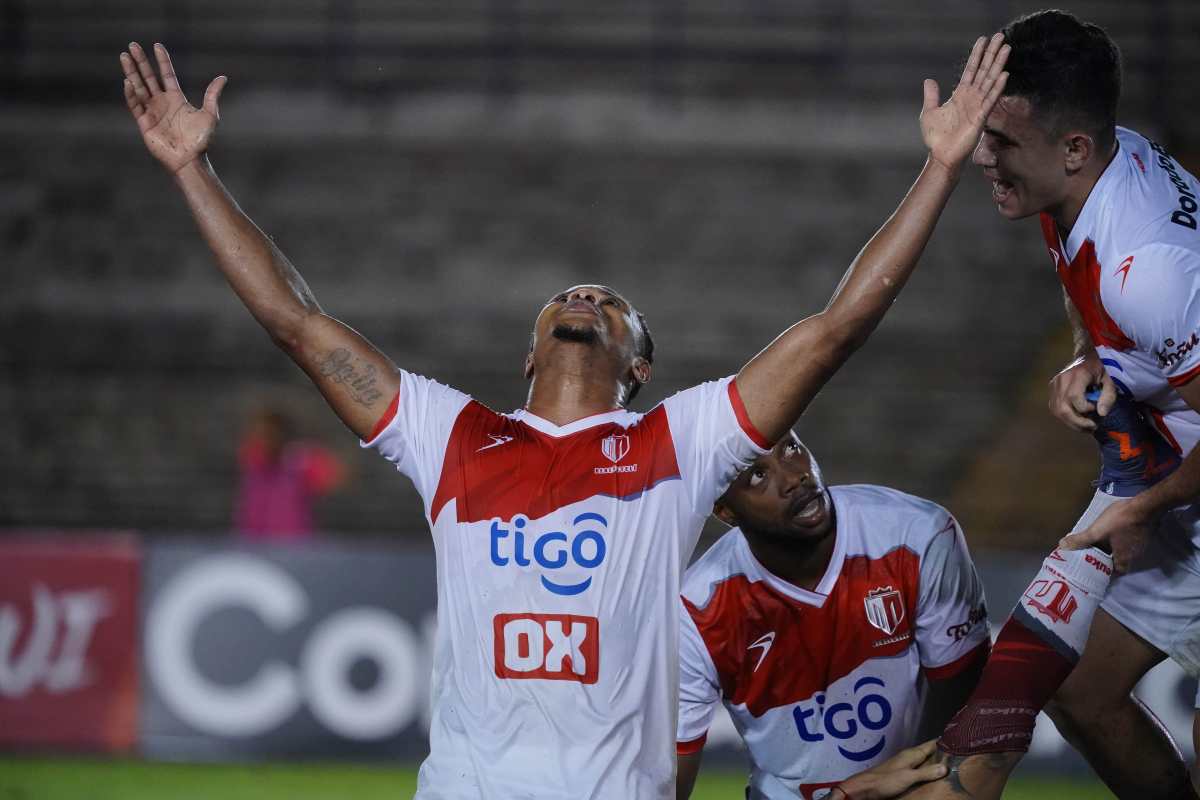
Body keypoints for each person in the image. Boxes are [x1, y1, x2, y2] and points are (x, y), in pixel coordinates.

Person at [119, 34, 1009, 798]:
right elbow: (298, 326)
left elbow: (835, 329)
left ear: (639, 366)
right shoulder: (452, 435)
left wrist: (939, 167)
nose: (587, 295)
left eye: (612, 303)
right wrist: (192, 170)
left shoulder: (681, 442)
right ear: (530, 355)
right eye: (569, 297)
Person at [901, 10, 1200, 799]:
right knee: (1078, 691)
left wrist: (1145, 509)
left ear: (1073, 148)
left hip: (1174, 481)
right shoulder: (1087, 177)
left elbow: (1136, 290)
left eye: (1001, 142)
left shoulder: (1148, 267)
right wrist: (1089, 355)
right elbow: (1095, 295)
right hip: (1170, 469)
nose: (982, 158)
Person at [676, 435, 989, 800]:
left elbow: (966, 703)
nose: (795, 477)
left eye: (791, 449)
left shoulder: (916, 535)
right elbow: (666, 786)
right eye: (757, 476)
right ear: (725, 511)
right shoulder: (696, 611)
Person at [233, 407, 346, 540]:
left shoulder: (301, 461)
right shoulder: (254, 458)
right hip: (253, 540)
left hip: (292, 542)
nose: (262, 440)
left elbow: (335, 477)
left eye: (268, 435)